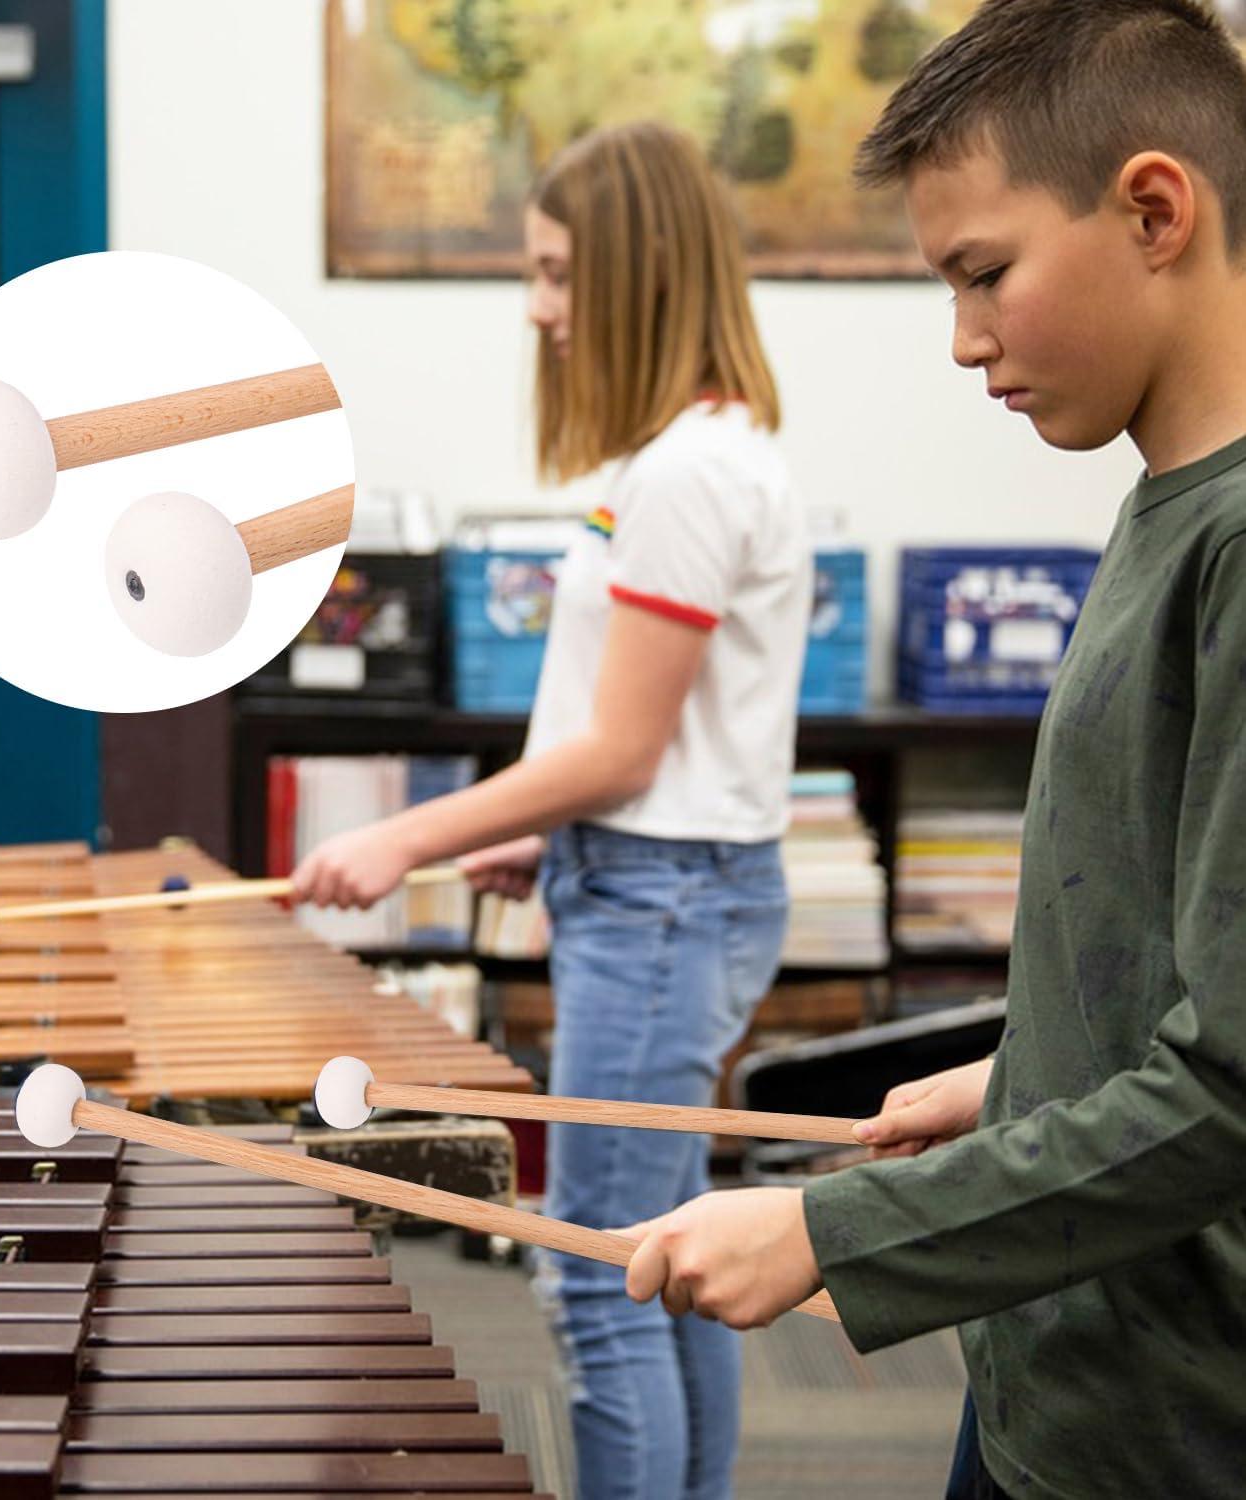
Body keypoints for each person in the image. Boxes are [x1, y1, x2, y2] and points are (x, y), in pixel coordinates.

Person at [619, 4, 1246, 1497]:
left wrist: (829, 1237)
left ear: (1156, 209)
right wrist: (1021, 1073)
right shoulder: (1174, 501)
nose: (965, 341)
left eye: (985, 276)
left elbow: (1232, 1089)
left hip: (1168, 1430)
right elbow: (1171, 952)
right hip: (1060, 1361)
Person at [292, 121, 811, 1500]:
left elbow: (624, 748)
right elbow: (658, 738)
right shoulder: (696, 454)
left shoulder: (693, 473)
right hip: (663, 880)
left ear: (641, 271)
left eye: (558, 274)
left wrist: (407, 835)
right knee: (671, 1251)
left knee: (596, 1266)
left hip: (663, 900)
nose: (539, 307)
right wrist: (546, 832)